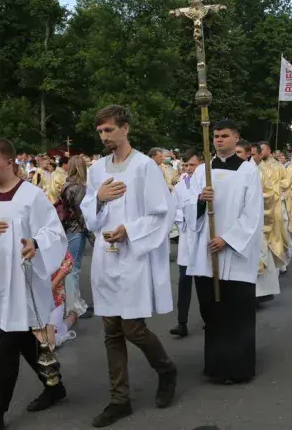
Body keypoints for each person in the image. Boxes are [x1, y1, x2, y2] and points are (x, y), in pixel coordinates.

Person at [0, 139, 69, 430]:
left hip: (25, 281)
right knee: (21, 340)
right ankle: (54, 385)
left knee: (8, 343)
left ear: (10, 163)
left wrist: (36, 243)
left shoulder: (31, 196)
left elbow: (54, 233)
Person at [80, 105, 177, 428]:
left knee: (132, 327)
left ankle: (165, 368)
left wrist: (130, 230)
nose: (104, 136)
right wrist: (100, 199)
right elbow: (89, 214)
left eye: (109, 130)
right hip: (106, 258)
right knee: (111, 330)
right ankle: (119, 399)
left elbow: (161, 212)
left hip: (132, 255)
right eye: (100, 132)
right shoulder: (97, 169)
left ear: (125, 128)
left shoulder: (145, 167)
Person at [186, 119, 263, 384]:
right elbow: (185, 207)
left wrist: (227, 240)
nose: (219, 140)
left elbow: (253, 215)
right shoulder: (202, 171)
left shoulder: (248, 172)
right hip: (207, 253)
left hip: (235, 253)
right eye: (216, 136)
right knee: (213, 311)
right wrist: (198, 202)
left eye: (224, 136)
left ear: (236, 138)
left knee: (237, 313)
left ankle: (239, 368)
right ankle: (216, 365)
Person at [170, 149, 201, 338]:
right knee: (184, 283)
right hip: (186, 237)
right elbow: (175, 209)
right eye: (186, 165)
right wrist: (185, 218)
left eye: (193, 165)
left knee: (204, 285)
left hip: (202, 237)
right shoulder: (180, 186)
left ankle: (211, 321)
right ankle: (182, 322)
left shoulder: (207, 183)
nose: (189, 168)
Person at [59, 155, 92, 321]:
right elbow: (82, 213)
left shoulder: (65, 185)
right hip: (76, 229)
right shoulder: (79, 187)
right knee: (73, 268)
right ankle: (75, 306)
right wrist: (90, 232)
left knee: (69, 267)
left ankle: (75, 302)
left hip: (66, 228)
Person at [251, 143, 282, 302]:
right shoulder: (246, 170)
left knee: (261, 253)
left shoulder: (262, 171)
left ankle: (261, 293)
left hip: (260, 217)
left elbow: (271, 193)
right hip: (247, 220)